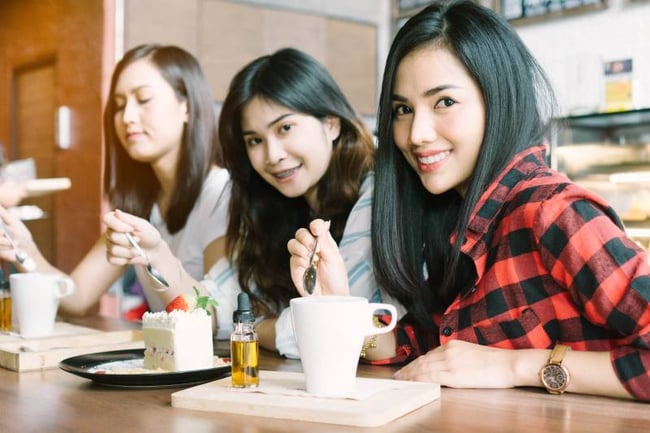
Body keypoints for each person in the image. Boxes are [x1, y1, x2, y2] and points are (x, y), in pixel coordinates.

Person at [288, 1, 650, 401]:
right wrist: (338, 305)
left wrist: (517, 365)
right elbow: (424, 346)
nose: (417, 134)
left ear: (496, 99)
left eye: (444, 102)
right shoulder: (461, 219)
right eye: (403, 110)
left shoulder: (552, 212)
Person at [0, 44, 230, 317]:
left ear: (187, 108)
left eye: (143, 100)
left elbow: (214, 315)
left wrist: (157, 254)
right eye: (119, 106)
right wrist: (25, 250)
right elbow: (77, 296)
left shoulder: (223, 193)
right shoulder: (141, 204)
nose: (127, 117)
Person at [202, 47, 403, 356]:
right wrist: (160, 259)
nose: (272, 155)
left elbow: (351, 326)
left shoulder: (378, 191)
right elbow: (214, 299)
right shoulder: (284, 203)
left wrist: (259, 327)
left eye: (285, 128)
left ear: (331, 124)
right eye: (255, 140)